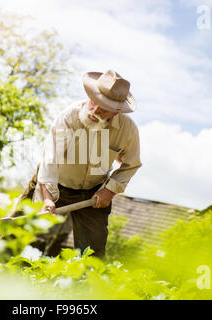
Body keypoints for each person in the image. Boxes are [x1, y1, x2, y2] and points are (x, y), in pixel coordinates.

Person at [35, 69, 142, 258]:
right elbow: (50, 159)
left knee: (92, 256)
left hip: (93, 194)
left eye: (103, 107)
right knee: (26, 234)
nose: (94, 110)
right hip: (55, 184)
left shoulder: (128, 130)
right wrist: (48, 198)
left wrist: (109, 191)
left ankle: (84, 286)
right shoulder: (69, 117)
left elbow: (131, 165)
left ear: (116, 111)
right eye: (94, 101)